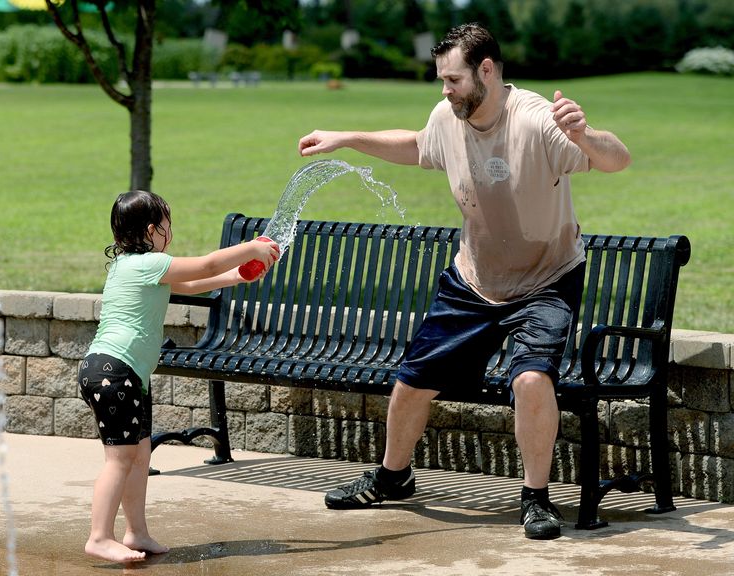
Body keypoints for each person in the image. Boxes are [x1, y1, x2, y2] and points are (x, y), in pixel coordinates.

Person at [297, 23, 630, 540]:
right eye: (442, 80)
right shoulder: (448, 115)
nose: (445, 90)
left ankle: (536, 499)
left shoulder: (538, 120)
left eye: (453, 80)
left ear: (487, 71)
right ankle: (392, 477)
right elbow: (415, 146)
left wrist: (585, 134)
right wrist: (348, 138)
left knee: (531, 379)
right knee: (411, 381)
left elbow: (616, 159)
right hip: (473, 277)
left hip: (546, 277)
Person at [78, 190, 279, 562]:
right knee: (119, 460)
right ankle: (99, 536)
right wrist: (252, 247)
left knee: (138, 456)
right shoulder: (147, 264)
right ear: (153, 229)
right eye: (168, 224)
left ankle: (136, 532)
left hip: (125, 374)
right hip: (113, 372)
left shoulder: (137, 266)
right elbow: (203, 266)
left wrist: (238, 276)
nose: (171, 231)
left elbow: (192, 283)